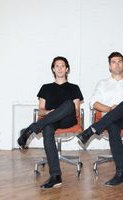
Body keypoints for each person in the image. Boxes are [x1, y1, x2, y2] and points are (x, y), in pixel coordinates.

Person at [77, 52, 123, 186]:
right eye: (114, 62)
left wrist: (121, 108)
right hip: (109, 120)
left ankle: (91, 130)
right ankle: (122, 173)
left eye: (120, 61)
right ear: (109, 66)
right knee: (113, 126)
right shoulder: (102, 83)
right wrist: (110, 109)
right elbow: (93, 103)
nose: (117, 64)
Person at [17, 56, 83, 189]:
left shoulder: (74, 88)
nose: (59, 68)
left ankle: (30, 130)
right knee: (47, 128)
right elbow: (40, 111)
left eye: (62, 66)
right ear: (53, 69)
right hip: (50, 120)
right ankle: (55, 176)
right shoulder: (46, 88)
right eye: (57, 66)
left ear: (67, 69)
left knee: (69, 104)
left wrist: (62, 110)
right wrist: (50, 113)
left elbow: (76, 111)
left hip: (68, 119)